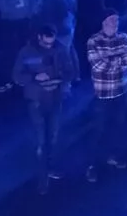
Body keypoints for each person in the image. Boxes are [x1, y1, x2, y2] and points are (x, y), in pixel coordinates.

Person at [13, 24, 78, 192]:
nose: (50, 45)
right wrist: (35, 76)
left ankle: (50, 168)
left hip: (55, 99)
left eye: (52, 42)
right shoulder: (26, 52)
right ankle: (43, 178)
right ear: (39, 37)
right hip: (36, 101)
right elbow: (17, 75)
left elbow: (71, 71)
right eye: (46, 42)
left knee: (53, 137)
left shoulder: (61, 49)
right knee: (41, 140)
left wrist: (61, 78)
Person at [85, 9, 127, 182]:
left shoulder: (123, 38)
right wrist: (118, 61)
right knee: (99, 130)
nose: (115, 24)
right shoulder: (94, 41)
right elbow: (98, 65)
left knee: (118, 126)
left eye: (116, 21)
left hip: (121, 91)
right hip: (103, 94)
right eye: (111, 21)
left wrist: (112, 61)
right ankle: (93, 164)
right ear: (103, 23)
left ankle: (114, 155)